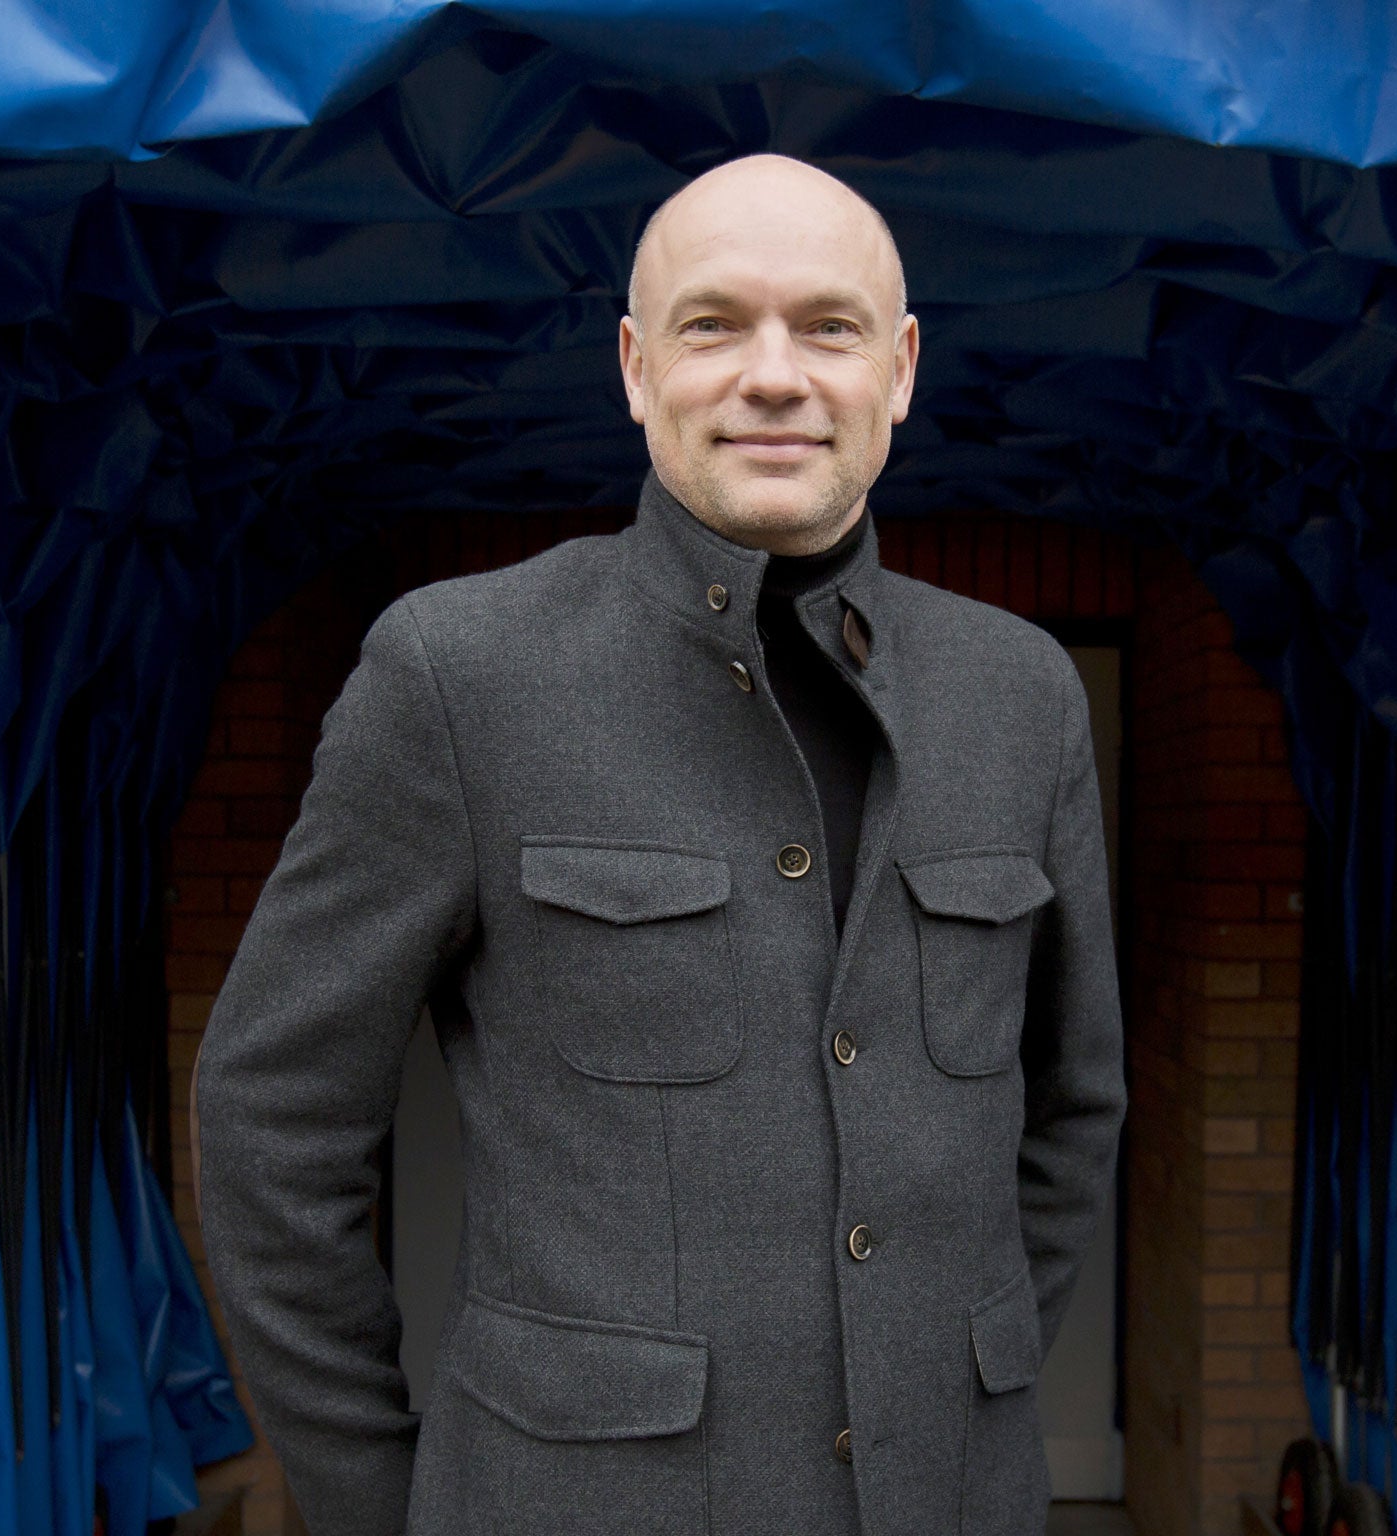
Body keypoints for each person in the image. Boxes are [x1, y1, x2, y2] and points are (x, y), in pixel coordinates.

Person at [194, 152, 1127, 1536]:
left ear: (902, 368)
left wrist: (959, 1374)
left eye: (828, 326)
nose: (774, 374)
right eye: (713, 324)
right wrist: (384, 1503)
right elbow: (271, 1120)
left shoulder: (1023, 693)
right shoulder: (461, 675)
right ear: (636, 367)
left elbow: (1073, 1108)